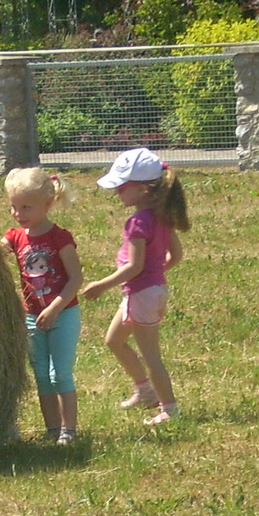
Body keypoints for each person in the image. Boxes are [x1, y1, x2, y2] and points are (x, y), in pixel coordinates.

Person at [81, 147, 189, 427]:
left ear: (142, 188)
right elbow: (175, 256)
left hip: (141, 294)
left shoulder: (137, 222)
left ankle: (169, 409)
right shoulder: (162, 216)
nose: (117, 193)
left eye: (122, 188)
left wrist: (100, 285)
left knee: (151, 355)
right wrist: (155, 275)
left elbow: (134, 267)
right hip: (150, 292)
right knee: (113, 340)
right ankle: (144, 390)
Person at [2, 167, 83, 444]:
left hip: (62, 314)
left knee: (59, 373)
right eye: (14, 206)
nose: (18, 213)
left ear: (47, 204)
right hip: (32, 317)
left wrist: (55, 308)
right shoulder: (15, 236)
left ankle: (68, 430)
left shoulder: (60, 238)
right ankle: (52, 429)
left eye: (26, 207)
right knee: (41, 376)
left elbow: (76, 278)